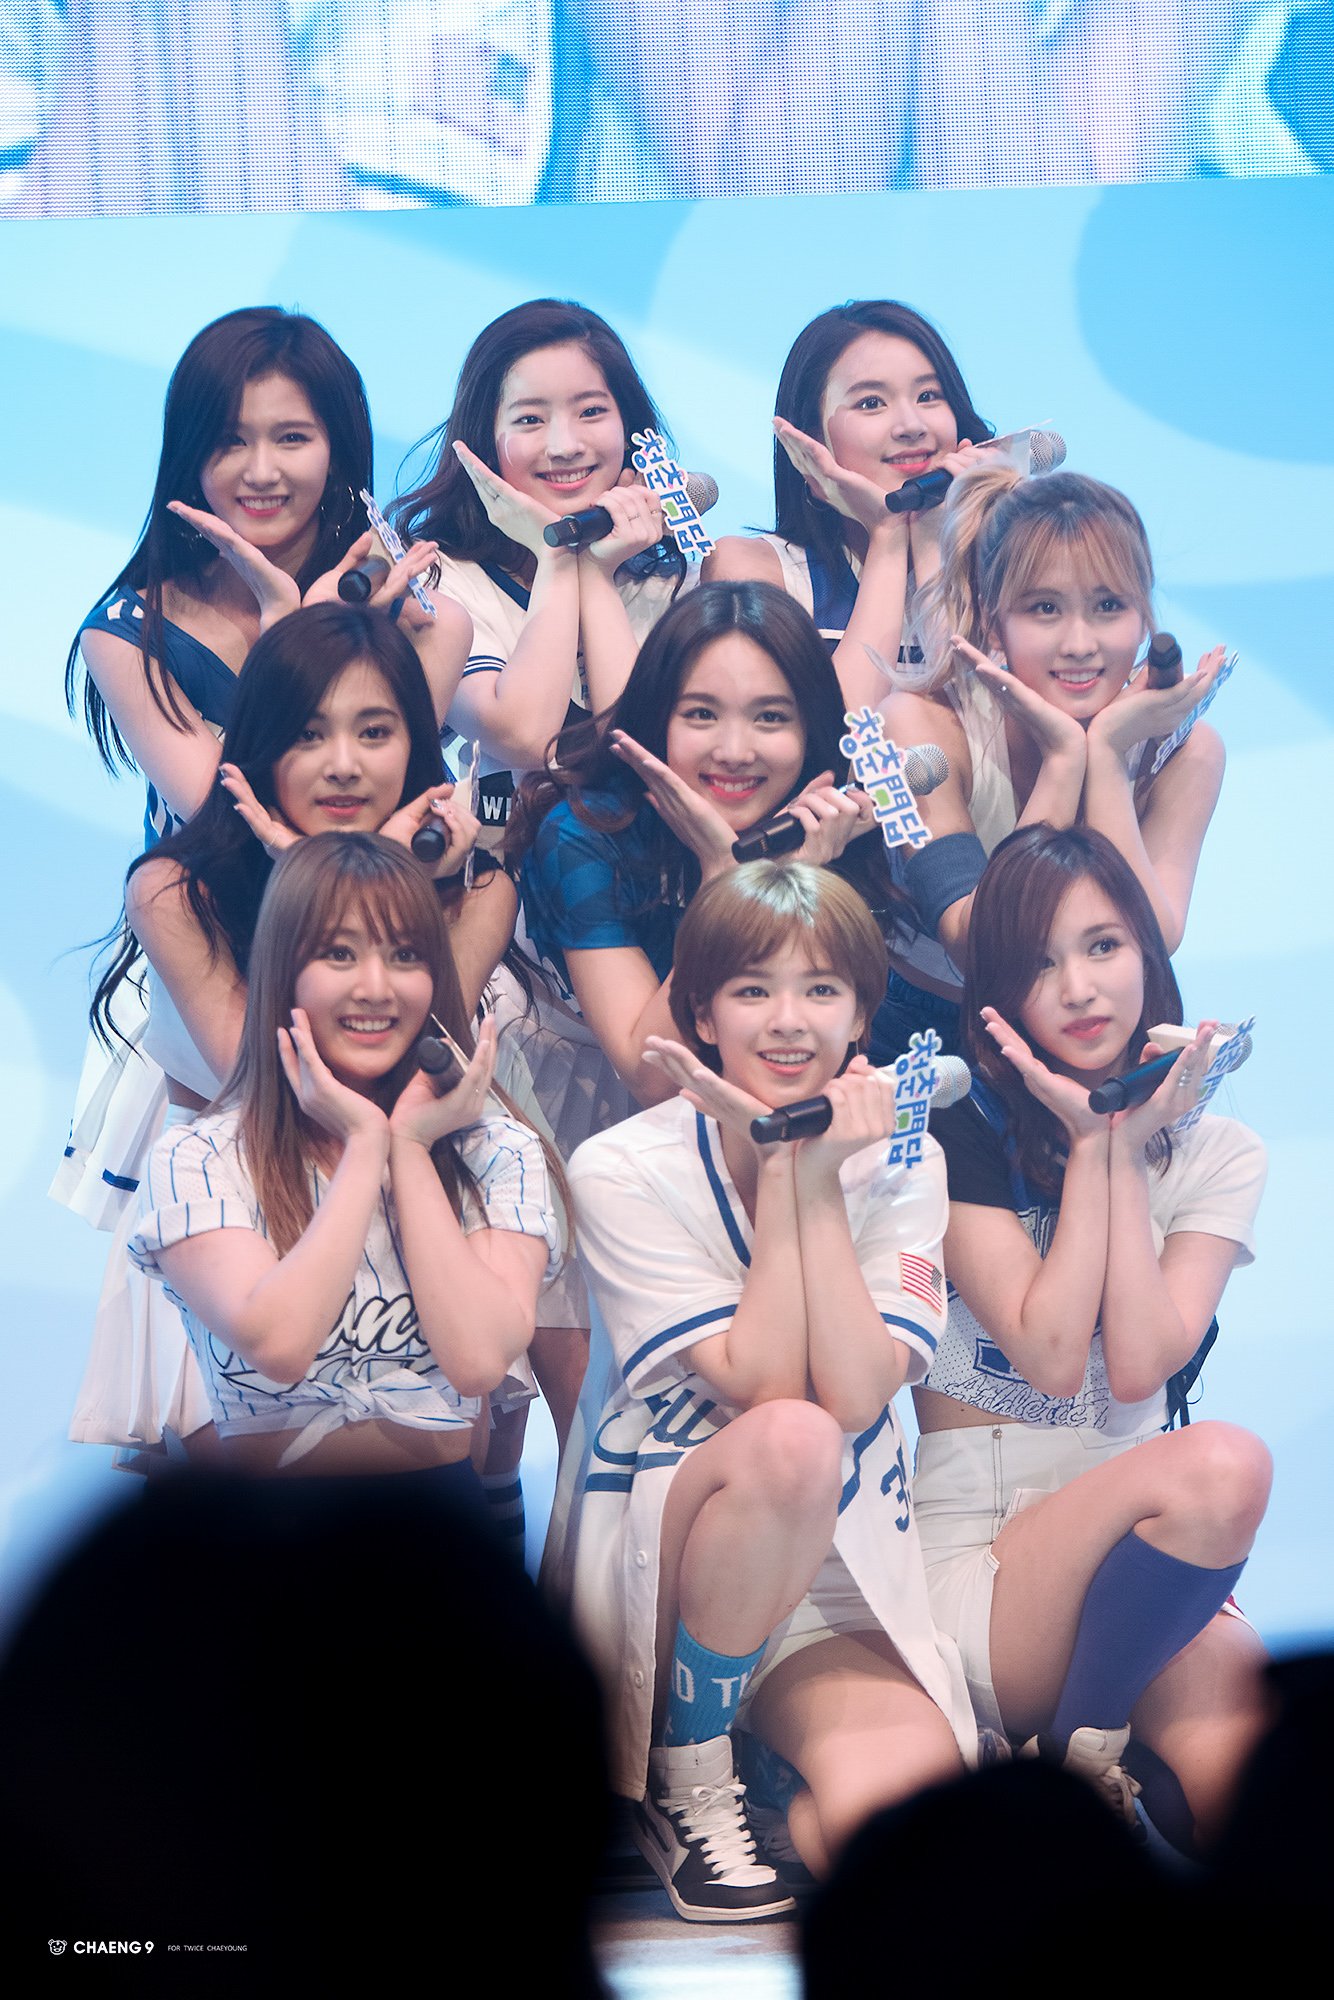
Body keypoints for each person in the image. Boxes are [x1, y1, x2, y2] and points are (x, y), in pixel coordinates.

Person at [556, 860, 974, 1921]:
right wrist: (789, 1165)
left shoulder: (905, 1159)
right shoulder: (619, 1165)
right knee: (790, 1439)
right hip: (674, 1554)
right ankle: (687, 1772)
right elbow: (767, 1388)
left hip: (829, 1575)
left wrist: (815, 1174)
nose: (788, 1020)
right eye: (752, 989)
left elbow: (858, 1390)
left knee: (916, 1852)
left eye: (821, 988)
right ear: (700, 1012)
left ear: (862, 1015)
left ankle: (772, 1773)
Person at [70, 603, 506, 1457]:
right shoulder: (177, 890)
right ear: (262, 745)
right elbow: (272, 1074)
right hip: (242, 1205)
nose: (343, 764)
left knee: (454, 1479)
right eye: (308, 734)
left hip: (419, 1201)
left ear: (416, 745)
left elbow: (423, 1060)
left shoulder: (475, 889)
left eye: (375, 732)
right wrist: (318, 881)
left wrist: (397, 879)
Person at [917, 825, 1271, 1850]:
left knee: (1255, 1797)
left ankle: (1088, 1748)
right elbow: (1052, 1352)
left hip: (1154, 1562)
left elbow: (1144, 1363)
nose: (1078, 987)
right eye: (1039, 963)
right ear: (995, 993)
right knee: (1225, 1464)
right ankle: (1079, 1754)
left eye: (1103, 946)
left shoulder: (1218, 1149)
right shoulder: (951, 1130)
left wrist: (1121, 1141)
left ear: (1146, 957)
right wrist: (1089, 1145)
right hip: (989, 1564)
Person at [129, 830, 560, 1477]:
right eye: (339, 953)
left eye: (405, 955)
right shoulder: (200, 1157)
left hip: (439, 1519)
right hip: (267, 1526)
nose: (375, 987)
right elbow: (281, 1344)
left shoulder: (496, 1150)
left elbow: (477, 1361)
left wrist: (408, 1148)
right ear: (284, 972)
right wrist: (364, 1148)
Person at [66, 303, 465, 845]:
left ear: (336, 452)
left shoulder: (426, 625)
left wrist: (316, 628)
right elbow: (227, 828)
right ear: (190, 455)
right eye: (230, 441)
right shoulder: (127, 632)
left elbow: (378, 823)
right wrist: (288, 625)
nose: (260, 472)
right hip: (204, 899)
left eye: (291, 438)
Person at [876, 465, 1232, 1057]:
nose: (1079, 644)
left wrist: (1107, 757)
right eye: (1044, 608)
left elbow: (1155, 937)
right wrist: (1065, 761)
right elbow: (974, 945)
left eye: (1109, 605)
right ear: (992, 618)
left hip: (1091, 1037)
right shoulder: (917, 726)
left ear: (1144, 617)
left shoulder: (1188, 751)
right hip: (923, 1033)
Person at [516, 578, 902, 1110]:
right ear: (658, 719)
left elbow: (829, 1040)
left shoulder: (826, 826)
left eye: (770, 717)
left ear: (811, 729)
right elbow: (650, 1076)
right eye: (701, 714)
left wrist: (797, 880)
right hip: (578, 1087)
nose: (734, 752)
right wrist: (731, 882)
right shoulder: (586, 834)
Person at [392, 296, 688, 830]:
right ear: (483, 439)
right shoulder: (440, 579)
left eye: (591, 411)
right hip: (487, 873)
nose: (564, 445)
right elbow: (527, 737)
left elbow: (646, 757)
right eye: (529, 419)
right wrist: (558, 555)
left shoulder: (677, 580)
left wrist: (596, 572)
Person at [705, 299, 994, 712]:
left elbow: (983, 729)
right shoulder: (755, 570)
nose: (912, 426)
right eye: (871, 403)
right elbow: (843, 732)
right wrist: (888, 536)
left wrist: (933, 534)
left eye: (929, 395)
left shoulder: (1006, 570)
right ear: (807, 441)